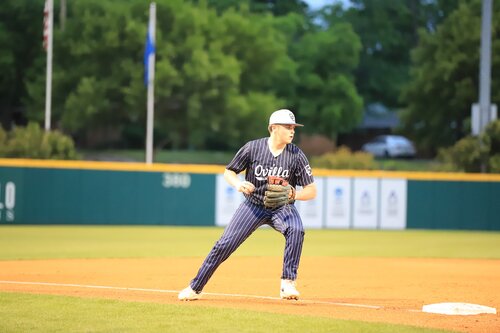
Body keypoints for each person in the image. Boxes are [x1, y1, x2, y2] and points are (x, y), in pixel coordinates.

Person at [178, 109, 317, 301]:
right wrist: (238, 184)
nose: (292, 130)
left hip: (282, 206)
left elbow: (312, 190)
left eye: (293, 127)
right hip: (253, 206)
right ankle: (195, 287)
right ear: (274, 128)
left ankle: (287, 282)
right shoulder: (253, 148)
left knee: (296, 229)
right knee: (224, 245)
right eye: (288, 127)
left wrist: (295, 194)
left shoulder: (296, 155)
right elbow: (229, 171)